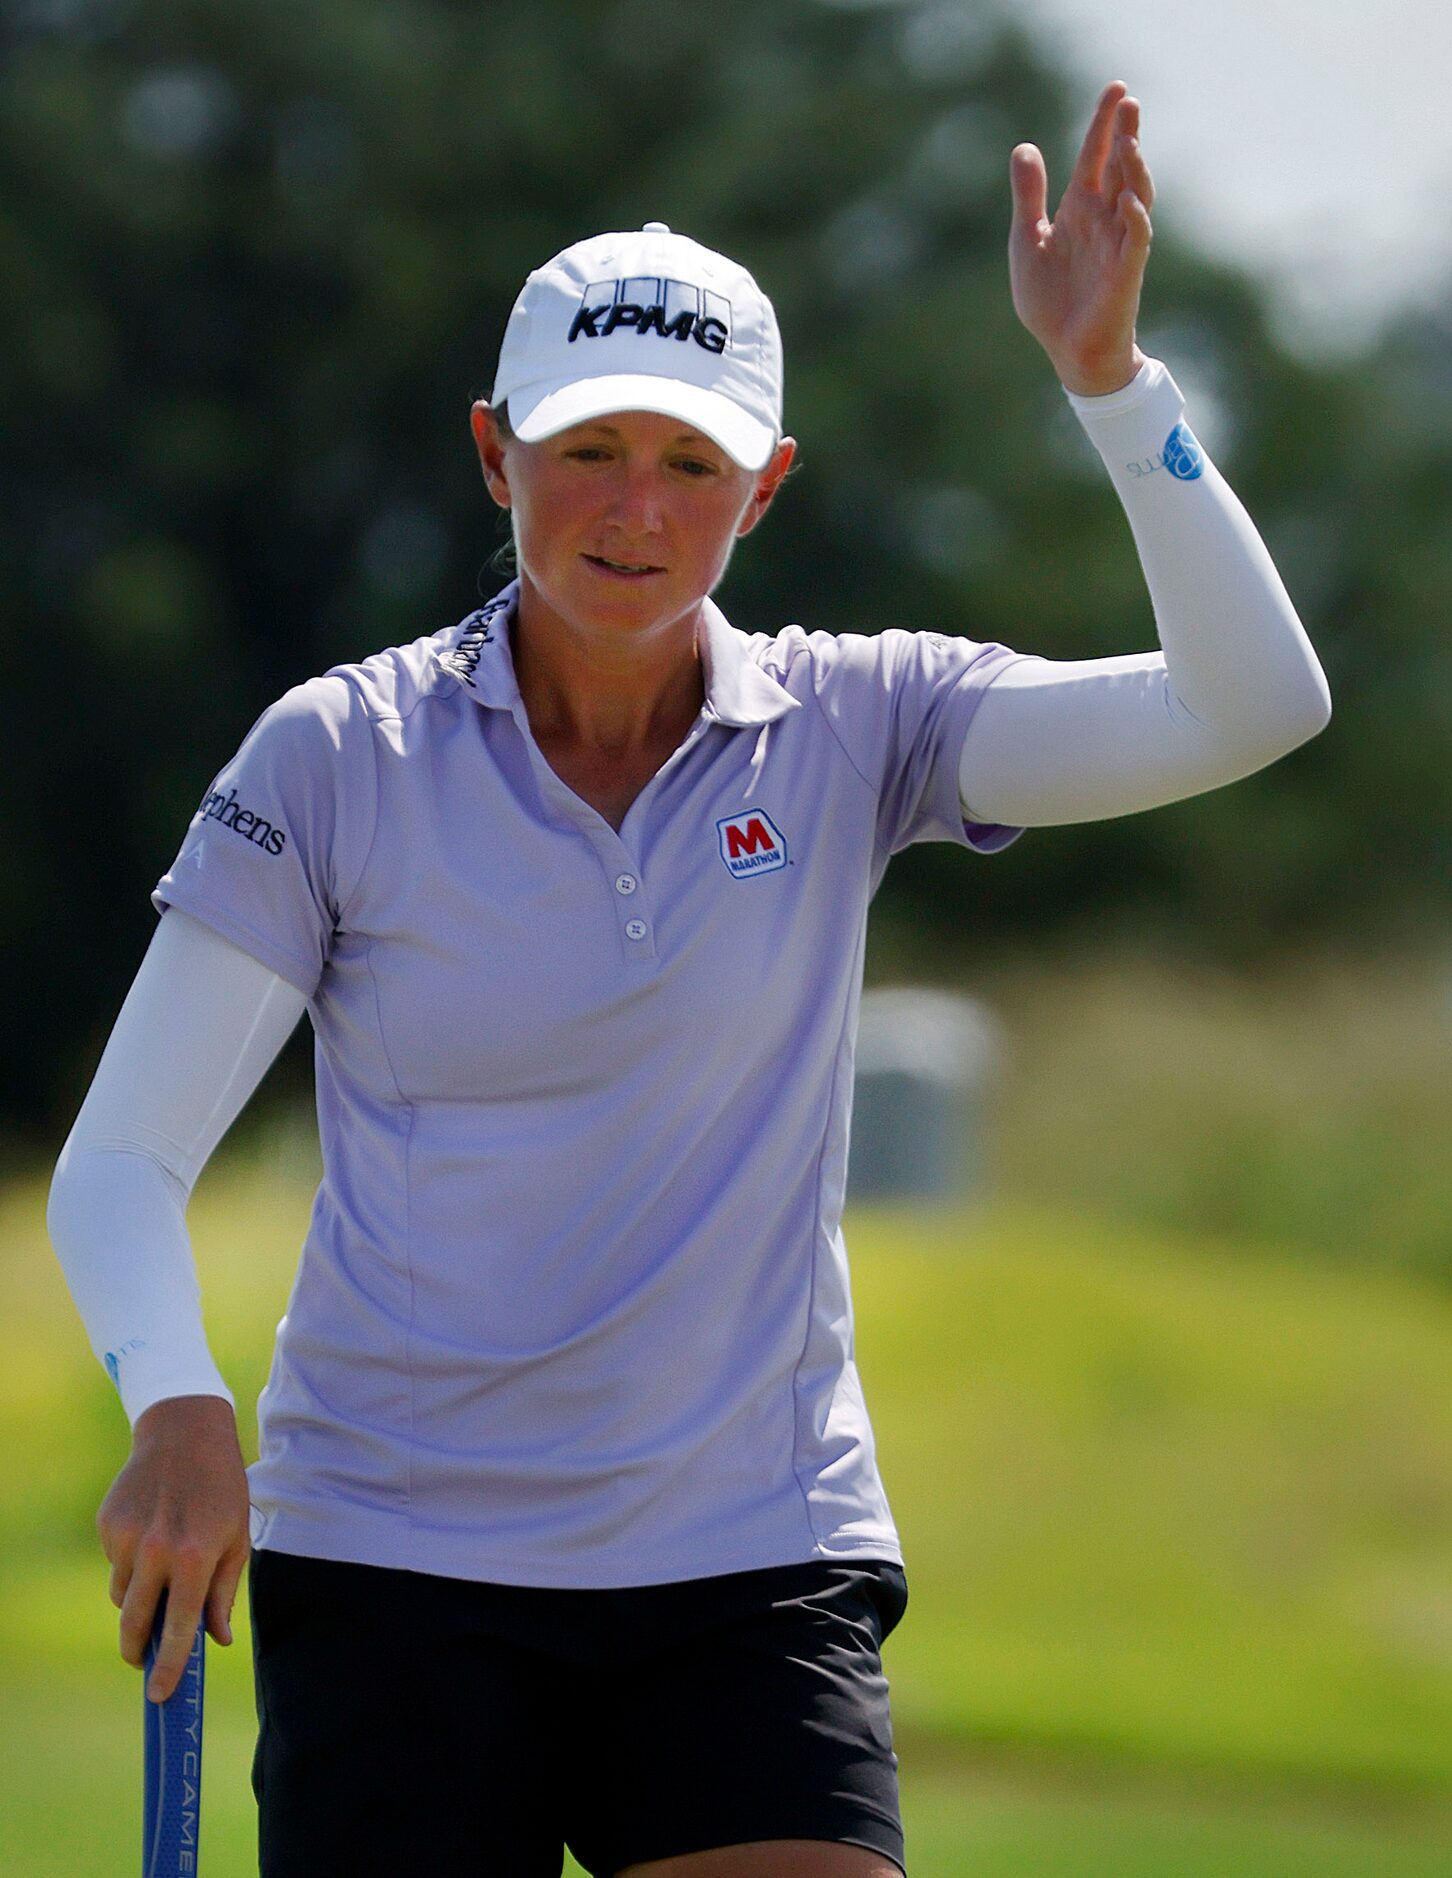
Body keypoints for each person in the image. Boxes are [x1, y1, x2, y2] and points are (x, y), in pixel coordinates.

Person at [47, 83, 1329, 1878]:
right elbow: (119, 1164)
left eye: (691, 462)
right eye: (588, 450)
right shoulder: (339, 752)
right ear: (495, 457)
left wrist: (1114, 388)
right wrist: (178, 1406)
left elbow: (1254, 706)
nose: (635, 509)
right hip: (398, 1561)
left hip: (750, 1556)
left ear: (764, 488)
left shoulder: (863, 718)